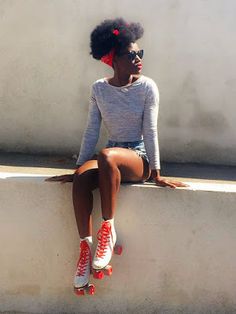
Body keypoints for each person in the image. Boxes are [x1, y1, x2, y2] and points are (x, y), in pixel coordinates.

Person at [46, 18, 188, 290]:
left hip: (138, 157)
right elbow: (91, 130)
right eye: (131, 54)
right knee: (81, 178)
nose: (138, 59)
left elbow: (151, 131)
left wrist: (156, 172)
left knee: (107, 155)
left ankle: (108, 231)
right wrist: (78, 167)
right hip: (110, 155)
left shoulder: (147, 87)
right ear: (114, 60)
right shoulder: (99, 88)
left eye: (140, 53)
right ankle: (85, 248)